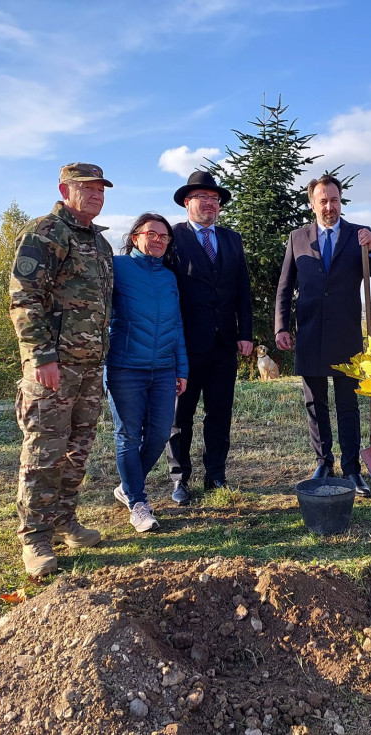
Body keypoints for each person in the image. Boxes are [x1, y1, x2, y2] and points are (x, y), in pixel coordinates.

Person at [9, 162, 114, 576]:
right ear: (64, 189)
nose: (95, 195)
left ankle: (65, 520)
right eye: (86, 188)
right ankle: (35, 537)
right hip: (54, 367)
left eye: (100, 189)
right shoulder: (45, 233)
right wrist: (41, 357)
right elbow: (24, 297)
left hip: (90, 367)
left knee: (78, 449)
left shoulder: (98, 243)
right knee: (43, 452)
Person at [275, 174, 371, 497]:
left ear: (341, 202)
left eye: (334, 200)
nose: (329, 206)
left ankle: (352, 468)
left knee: (347, 405)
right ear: (312, 204)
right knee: (315, 403)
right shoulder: (297, 238)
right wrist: (281, 326)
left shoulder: (359, 235)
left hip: (346, 337)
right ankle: (323, 461)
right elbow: (284, 288)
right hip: (310, 333)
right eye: (323, 201)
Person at [166, 171, 253, 504]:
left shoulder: (232, 239)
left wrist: (244, 333)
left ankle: (216, 475)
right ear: (188, 202)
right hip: (186, 345)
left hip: (224, 345)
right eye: (202, 197)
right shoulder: (173, 238)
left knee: (220, 413)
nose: (210, 204)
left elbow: (241, 290)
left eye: (214, 199)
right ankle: (179, 479)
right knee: (180, 416)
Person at [105, 213, 189, 533]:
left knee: (157, 435)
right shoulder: (118, 267)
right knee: (128, 435)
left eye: (164, 237)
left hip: (165, 369)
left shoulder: (169, 277)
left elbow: (177, 325)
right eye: (151, 234)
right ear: (135, 236)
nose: (158, 240)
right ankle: (138, 502)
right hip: (125, 367)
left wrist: (182, 368)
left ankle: (127, 486)